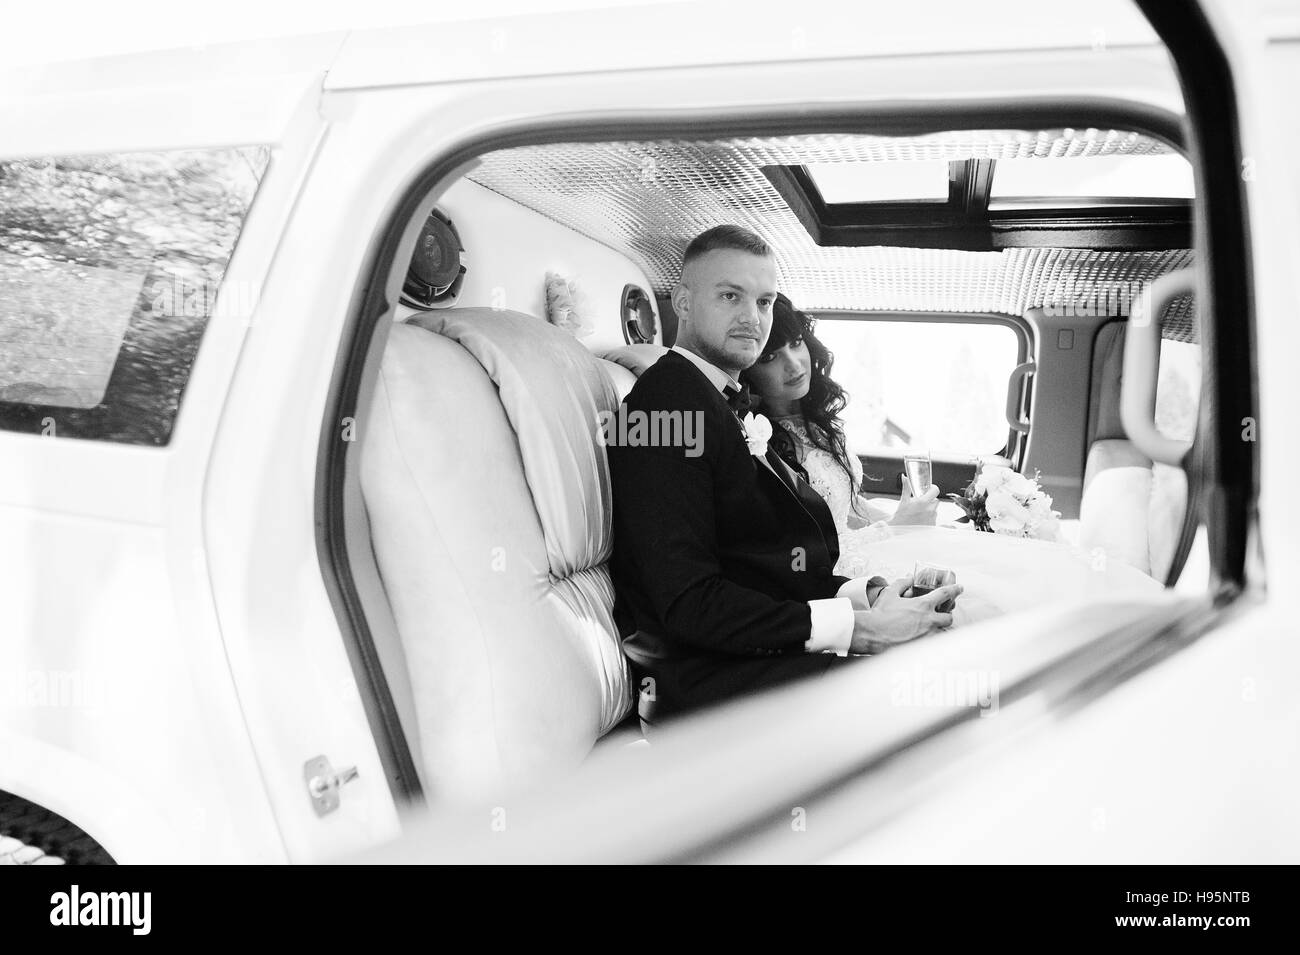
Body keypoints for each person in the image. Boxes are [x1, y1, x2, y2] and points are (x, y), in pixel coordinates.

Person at [608, 225, 960, 721]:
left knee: (959, 653)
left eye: (765, 301)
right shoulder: (662, 412)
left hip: (755, 660)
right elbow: (690, 605)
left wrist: (870, 594)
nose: (753, 318)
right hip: (708, 692)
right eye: (730, 296)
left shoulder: (718, 401)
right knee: (951, 690)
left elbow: (762, 568)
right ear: (683, 302)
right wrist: (865, 630)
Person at [739, 293, 938, 578]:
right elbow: (798, 556)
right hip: (826, 579)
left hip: (859, 557)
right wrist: (893, 528)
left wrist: (911, 519)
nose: (794, 364)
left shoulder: (818, 425)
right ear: (748, 370)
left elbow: (846, 511)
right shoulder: (757, 445)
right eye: (770, 357)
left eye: (796, 343)